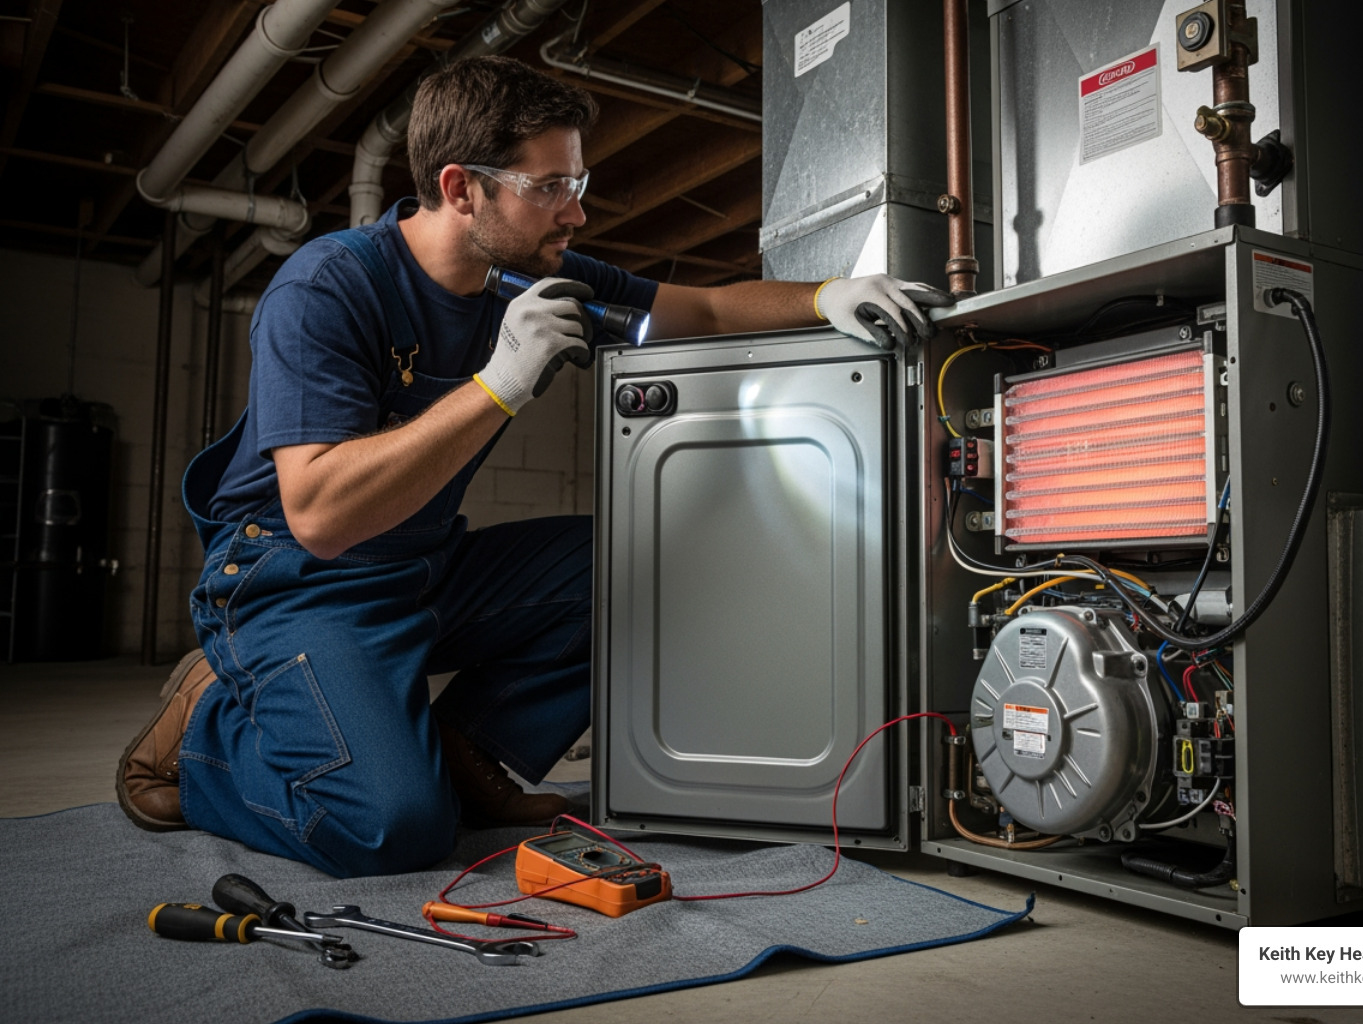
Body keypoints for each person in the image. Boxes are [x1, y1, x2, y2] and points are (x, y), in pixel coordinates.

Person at [116, 56, 950, 878]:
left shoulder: (519, 272)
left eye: (575, 185)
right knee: (390, 829)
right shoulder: (328, 289)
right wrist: (497, 386)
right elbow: (320, 516)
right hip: (294, 576)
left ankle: (468, 748)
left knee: (649, 562)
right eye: (548, 187)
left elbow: (699, 308)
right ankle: (204, 735)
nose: (574, 214)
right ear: (459, 188)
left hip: (424, 564)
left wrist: (829, 296)